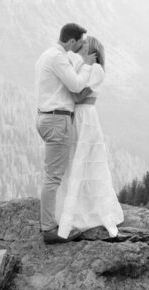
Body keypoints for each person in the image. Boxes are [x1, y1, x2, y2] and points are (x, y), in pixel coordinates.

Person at [55, 35, 124, 239]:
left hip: (85, 117)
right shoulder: (84, 67)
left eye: (84, 45)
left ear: (92, 51)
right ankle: (75, 209)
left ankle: (89, 213)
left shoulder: (96, 70)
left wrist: (80, 71)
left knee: (85, 162)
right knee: (73, 162)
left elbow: (78, 95)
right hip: (77, 116)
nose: (79, 47)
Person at [34, 22, 96, 244]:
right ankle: (49, 229)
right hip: (57, 119)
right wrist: (87, 65)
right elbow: (77, 85)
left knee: (53, 173)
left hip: (45, 117)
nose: (80, 47)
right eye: (79, 43)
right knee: (53, 176)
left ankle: (51, 220)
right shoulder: (58, 58)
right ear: (71, 41)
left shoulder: (46, 55)